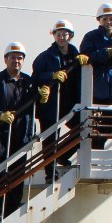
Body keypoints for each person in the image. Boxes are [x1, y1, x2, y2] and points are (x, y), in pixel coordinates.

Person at [0, 42, 38, 219]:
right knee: (0, 173)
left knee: (18, 172)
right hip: (0, 135)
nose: (16, 61)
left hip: (21, 134)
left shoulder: (28, 82)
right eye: (12, 57)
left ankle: (12, 209)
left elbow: (38, 105)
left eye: (20, 58)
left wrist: (43, 94)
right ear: (5, 59)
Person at [78, 2, 112, 149]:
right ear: (99, 20)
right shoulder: (91, 37)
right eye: (105, 19)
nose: (108, 22)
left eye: (111, 18)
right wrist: (107, 52)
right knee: (100, 118)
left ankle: (97, 141)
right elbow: (86, 55)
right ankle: (96, 142)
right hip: (96, 86)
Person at [32, 19, 83, 171]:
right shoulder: (44, 57)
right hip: (51, 105)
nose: (61, 37)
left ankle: (63, 155)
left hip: (71, 103)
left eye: (65, 34)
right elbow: (35, 78)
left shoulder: (77, 56)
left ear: (70, 36)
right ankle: (50, 171)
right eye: (58, 34)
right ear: (53, 36)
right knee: (50, 140)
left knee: (84, 127)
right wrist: (52, 76)